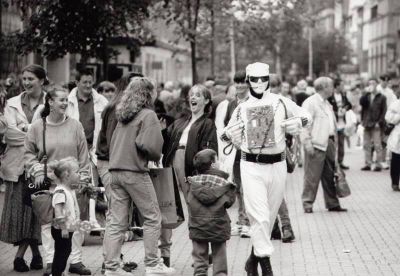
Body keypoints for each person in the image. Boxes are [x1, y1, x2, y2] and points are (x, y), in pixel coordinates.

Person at [223, 62, 311, 276]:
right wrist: (231, 135)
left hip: (278, 165)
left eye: (264, 79)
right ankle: (267, 267)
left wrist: (298, 123)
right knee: (259, 216)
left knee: (269, 217)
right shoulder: (241, 108)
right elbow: (226, 133)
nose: (259, 83)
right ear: (248, 81)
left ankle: (253, 259)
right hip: (251, 166)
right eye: (255, 79)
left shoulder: (281, 102)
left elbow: (306, 115)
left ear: (268, 80)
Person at [103, 78, 175, 276]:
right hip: (134, 172)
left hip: (115, 171)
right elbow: (151, 148)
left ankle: (111, 267)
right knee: (153, 218)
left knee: (116, 222)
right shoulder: (148, 115)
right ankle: (153, 265)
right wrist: (159, 133)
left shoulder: (122, 116)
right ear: (148, 94)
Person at [24, 85, 91, 276]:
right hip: (48, 184)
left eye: (66, 100)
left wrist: (84, 179)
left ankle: (76, 261)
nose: (65, 103)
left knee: (74, 223)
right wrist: (36, 169)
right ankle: (50, 262)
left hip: (72, 184)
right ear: (50, 102)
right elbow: (28, 153)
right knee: (47, 225)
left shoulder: (75, 125)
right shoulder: (37, 127)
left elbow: (83, 154)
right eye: (61, 100)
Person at [161, 84, 218, 267]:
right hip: (171, 166)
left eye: (198, 95)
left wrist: (200, 173)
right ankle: (165, 256)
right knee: (168, 210)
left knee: (196, 210)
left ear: (206, 100)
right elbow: (166, 141)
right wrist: (161, 130)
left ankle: (201, 255)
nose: (193, 98)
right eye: (192, 95)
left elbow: (210, 152)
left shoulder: (207, 123)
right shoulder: (181, 121)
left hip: (190, 169)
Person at [0, 64, 45, 273]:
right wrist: (32, 134)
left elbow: (48, 135)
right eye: (24, 79)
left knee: (35, 211)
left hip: (39, 165)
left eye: (31, 79)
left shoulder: (50, 103)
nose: (26, 82)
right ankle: (35, 256)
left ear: (41, 80)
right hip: (16, 166)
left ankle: (19, 258)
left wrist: (23, 130)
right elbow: (8, 134)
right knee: (22, 211)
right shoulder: (12, 103)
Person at [68, 67, 108, 233]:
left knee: (94, 188)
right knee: (75, 188)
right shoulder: (68, 101)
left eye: (90, 82)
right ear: (76, 82)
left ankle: (95, 223)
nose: (88, 85)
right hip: (72, 151)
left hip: (93, 150)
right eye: (84, 82)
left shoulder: (102, 101)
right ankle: (76, 224)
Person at [301, 77, 348, 214]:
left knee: (329, 175)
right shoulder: (310, 103)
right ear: (324, 87)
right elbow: (304, 125)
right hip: (316, 144)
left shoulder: (327, 103)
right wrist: (307, 142)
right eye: (331, 86)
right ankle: (307, 203)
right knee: (312, 176)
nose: (333, 88)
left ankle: (332, 203)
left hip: (329, 143)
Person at [187, 149, 236, 276]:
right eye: (217, 159)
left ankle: (200, 273)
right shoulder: (224, 184)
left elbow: (189, 201)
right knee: (219, 255)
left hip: (197, 226)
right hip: (218, 226)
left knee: (199, 256)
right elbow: (230, 202)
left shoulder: (192, 183)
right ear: (213, 164)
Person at [219, 71, 251, 238]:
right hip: (235, 153)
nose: (239, 85)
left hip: (250, 152)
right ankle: (241, 221)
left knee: (247, 188)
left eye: (243, 82)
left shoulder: (253, 102)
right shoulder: (231, 104)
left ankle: (246, 222)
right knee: (238, 188)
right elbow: (226, 124)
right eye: (237, 82)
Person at [47, 157, 82, 276]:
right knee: (62, 252)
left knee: (65, 251)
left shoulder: (68, 189)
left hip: (67, 229)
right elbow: (58, 212)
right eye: (77, 172)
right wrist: (64, 228)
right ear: (67, 175)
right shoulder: (60, 191)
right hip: (62, 230)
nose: (79, 175)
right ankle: (56, 273)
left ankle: (60, 272)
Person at [360, 78, 387, 171]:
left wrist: (379, 122)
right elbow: (362, 105)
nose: (371, 85)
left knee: (377, 145)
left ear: (377, 84)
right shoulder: (366, 96)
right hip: (367, 123)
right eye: (369, 83)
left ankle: (378, 164)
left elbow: (384, 112)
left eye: (373, 83)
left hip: (376, 124)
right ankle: (368, 163)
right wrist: (365, 93)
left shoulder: (382, 97)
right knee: (366, 144)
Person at [328, 79, 352, 170]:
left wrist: (345, 109)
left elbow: (349, 105)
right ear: (337, 86)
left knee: (341, 144)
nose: (343, 87)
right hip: (333, 124)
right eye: (342, 85)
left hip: (342, 124)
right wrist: (336, 112)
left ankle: (340, 161)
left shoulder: (343, 95)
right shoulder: (330, 96)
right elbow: (327, 108)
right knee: (333, 144)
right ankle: (332, 162)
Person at [384, 83, 400, 191]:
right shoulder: (396, 104)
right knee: (396, 160)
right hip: (398, 135)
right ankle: (395, 183)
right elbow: (388, 118)